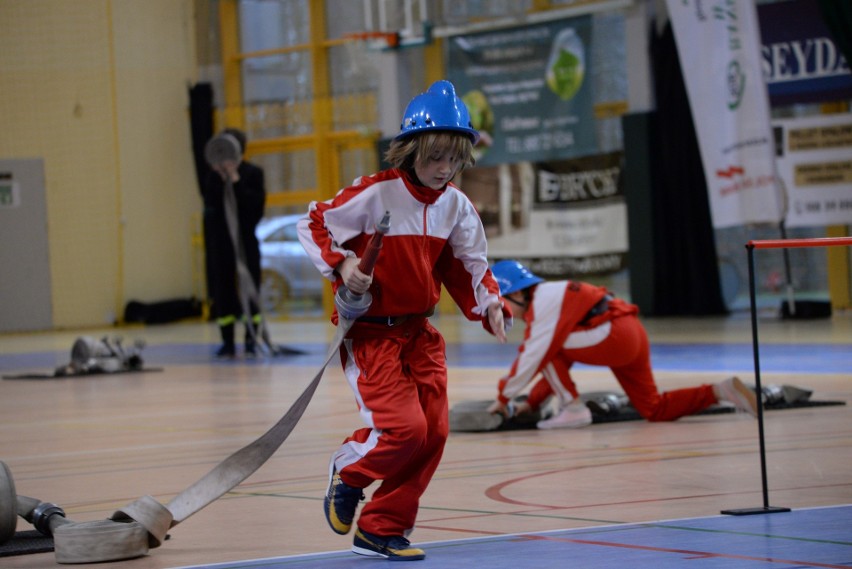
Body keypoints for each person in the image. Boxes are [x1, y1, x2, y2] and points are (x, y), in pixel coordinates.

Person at [298, 80, 509, 561]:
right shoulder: (375, 194)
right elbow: (313, 222)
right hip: (371, 336)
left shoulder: (456, 205)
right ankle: (349, 471)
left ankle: (381, 528)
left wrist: (491, 305)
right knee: (404, 431)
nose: (445, 168)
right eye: (436, 156)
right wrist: (342, 265)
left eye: (454, 158)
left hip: (421, 336)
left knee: (433, 434)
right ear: (411, 148)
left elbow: (473, 266)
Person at [486, 260, 759, 429]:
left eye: (502, 301)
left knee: (545, 350)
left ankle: (574, 410)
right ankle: (720, 391)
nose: (501, 309)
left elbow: (534, 357)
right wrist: (532, 403)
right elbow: (554, 361)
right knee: (654, 409)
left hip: (613, 335)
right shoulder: (550, 296)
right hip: (630, 333)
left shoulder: (544, 301)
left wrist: (502, 398)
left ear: (519, 292)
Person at [202, 128, 267, 358]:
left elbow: (255, 211)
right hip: (221, 244)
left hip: (246, 241)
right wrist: (221, 180)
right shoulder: (212, 177)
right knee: (223, 291)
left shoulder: (253, 174)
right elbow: (210, 212)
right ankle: (227, 341)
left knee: (250, 289)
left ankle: (251, 338)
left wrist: (236, 181)